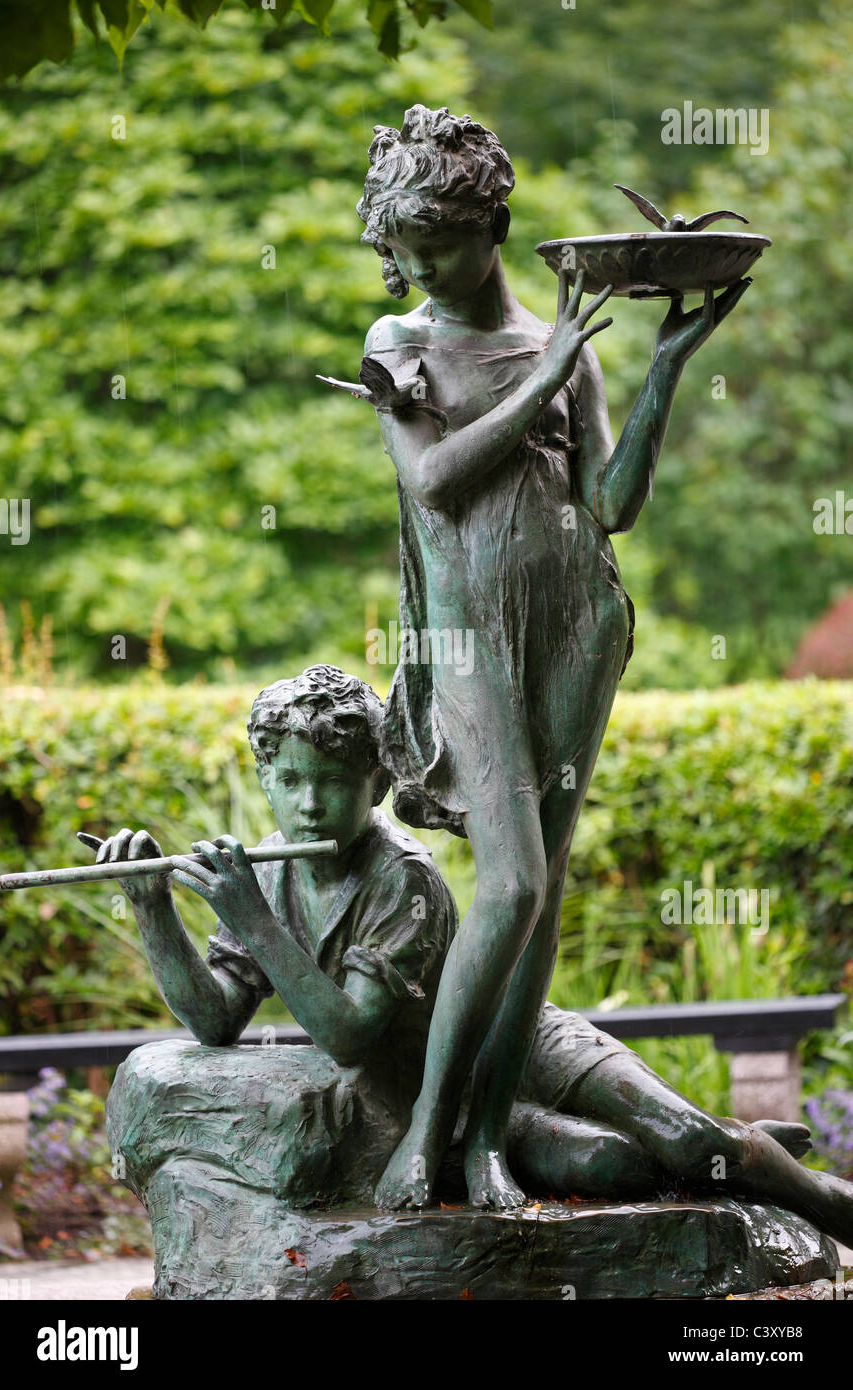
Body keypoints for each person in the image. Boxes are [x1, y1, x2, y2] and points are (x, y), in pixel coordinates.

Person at [353, 104, 753, 1208]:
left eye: (436, 237)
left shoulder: (557, 342)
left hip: (578, 623)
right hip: (464, 634)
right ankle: (426, 1132)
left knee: (546, 889)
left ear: (494, 223)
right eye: (400, 244)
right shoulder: (401, 346)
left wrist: (664, 365)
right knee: (512, 879)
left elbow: (610, 504)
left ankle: (486, 1139)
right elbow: (434, 482)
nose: (416, 263)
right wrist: (548, 374)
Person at [102, 667, 853, 1248]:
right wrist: (152, 909)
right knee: (605, 1168)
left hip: (520, 1045)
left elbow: (350, 1033)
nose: (308, 804)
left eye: (333, 784)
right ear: (264, 775)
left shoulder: (404, 877)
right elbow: (214, 1019)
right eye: (290, 781)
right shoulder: (267, 871)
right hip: (435, 1103)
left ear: (377, 784)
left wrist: (257, 924)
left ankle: (806, 1190)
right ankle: (725, 1151)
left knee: (690, 1142)